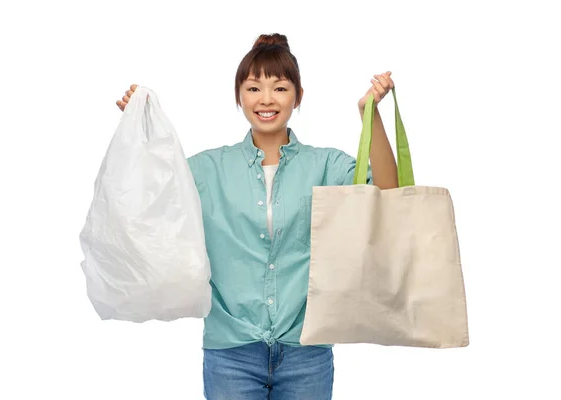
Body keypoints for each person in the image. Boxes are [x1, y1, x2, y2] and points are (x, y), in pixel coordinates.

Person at [116, 33, 397, 400]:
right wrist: (144, 126)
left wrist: (369, 116)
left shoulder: (327, 165)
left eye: (279, 88)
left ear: (298, 96)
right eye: (253, 88)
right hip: (230, 353)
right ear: (239, 96)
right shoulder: (206, 169)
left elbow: (389, 195)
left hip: (306, 351)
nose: (266, 100)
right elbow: (151, 201)